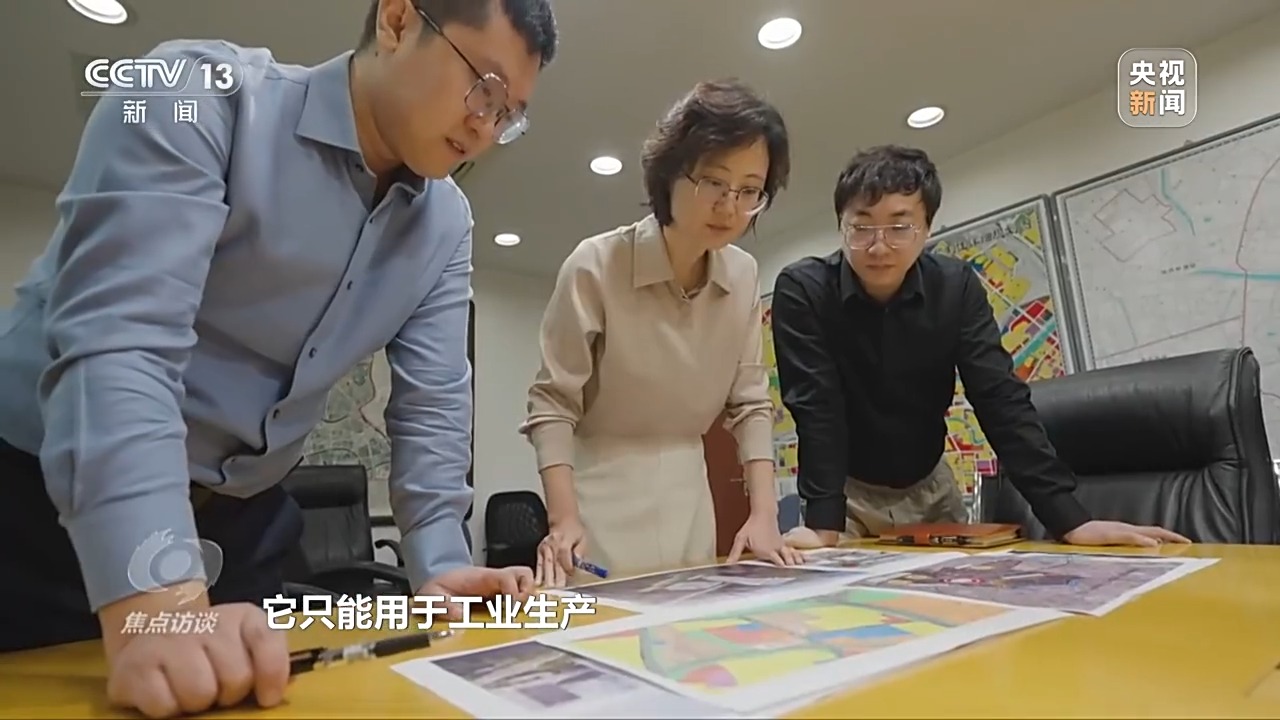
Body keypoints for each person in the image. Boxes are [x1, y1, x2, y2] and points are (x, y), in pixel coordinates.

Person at [0, 0, 556, 715]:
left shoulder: (445, 224)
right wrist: (159, 601)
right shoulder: (196, 93)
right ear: (396, 21)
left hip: (242, 524)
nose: (486, 126)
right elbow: (120, 346)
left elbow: (434, 405)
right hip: (35, 499)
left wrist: (441, 565)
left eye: (508, 114)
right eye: (484, 85)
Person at [771, 145, 1191, 550]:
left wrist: (1071, 520)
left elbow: (998, 398)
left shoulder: (955, 287)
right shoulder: (804, 290)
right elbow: (817, 407)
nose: (878, 246)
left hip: (930, 488)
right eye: (861, 228)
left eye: (899, 227)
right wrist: (822, 524)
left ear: (927, 229)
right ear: (841, 227)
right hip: (845, 497)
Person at [520, 79, 804, 588]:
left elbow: (749, 402)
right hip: (599, 499)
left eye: (749, 191)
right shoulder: (596, 265)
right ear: (670, 172)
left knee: (689, 623)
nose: (729, 207)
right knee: (609, 627)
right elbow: (553, 404)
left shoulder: (742, 275)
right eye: (713, 182)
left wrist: (765, 514)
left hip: (690, 498)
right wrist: (563, 520)